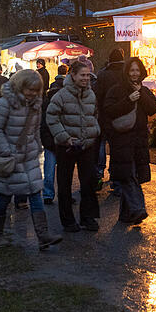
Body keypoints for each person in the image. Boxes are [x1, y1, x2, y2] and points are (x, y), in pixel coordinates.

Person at [0, 69, 62, 251]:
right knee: (4, 196)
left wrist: (37, 147)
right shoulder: (5, 103)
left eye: (36, 90)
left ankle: (43, 236)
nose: (33, 93)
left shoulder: (35, 104)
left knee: (35, 193)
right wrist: (6, 151)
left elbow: (35, 129)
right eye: (30, 89)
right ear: (20, 85)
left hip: (28, 157)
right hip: (11, 159)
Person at [102, 57, 156, 225]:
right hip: (122, 139)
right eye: (132, 70)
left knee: (133, 174)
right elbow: (109, 110)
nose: (135, 74)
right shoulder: (117, 89)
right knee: (128, 175)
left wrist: (140, 95)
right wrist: (128, 101)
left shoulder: (144, 90)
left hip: (139, 139)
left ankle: (125, 215)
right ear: (126, 72)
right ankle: (137, 208)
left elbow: (153, 108)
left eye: (137, 71)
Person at [47, 57, 101, 232]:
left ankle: (87, 217)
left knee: (88, 182)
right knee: (65, 183)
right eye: (82, 75)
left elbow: (94, 115)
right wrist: (64, 137)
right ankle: (68, 220)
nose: (86, 78)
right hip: (66, 146)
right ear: (73, 75)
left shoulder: (91, 94)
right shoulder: (61, 95)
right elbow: (51, 117)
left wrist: (94, 132)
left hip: (86, 145)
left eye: (88, 75)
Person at [93, 48, 126, 191]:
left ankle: (98, 175)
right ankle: (115, 180)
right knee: (117, 148)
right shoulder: (125, 75)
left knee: (101, 144)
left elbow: (96, 95)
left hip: (104, 115)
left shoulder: (102, 74)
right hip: (120, 116)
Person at [40, 65, 67, 204]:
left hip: (54, 141)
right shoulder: (64, 102)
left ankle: (49, 194)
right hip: (57, 141)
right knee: (60, 172)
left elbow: (43, 124)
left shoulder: (47, 101)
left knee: (50, 170)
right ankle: (54, 194)